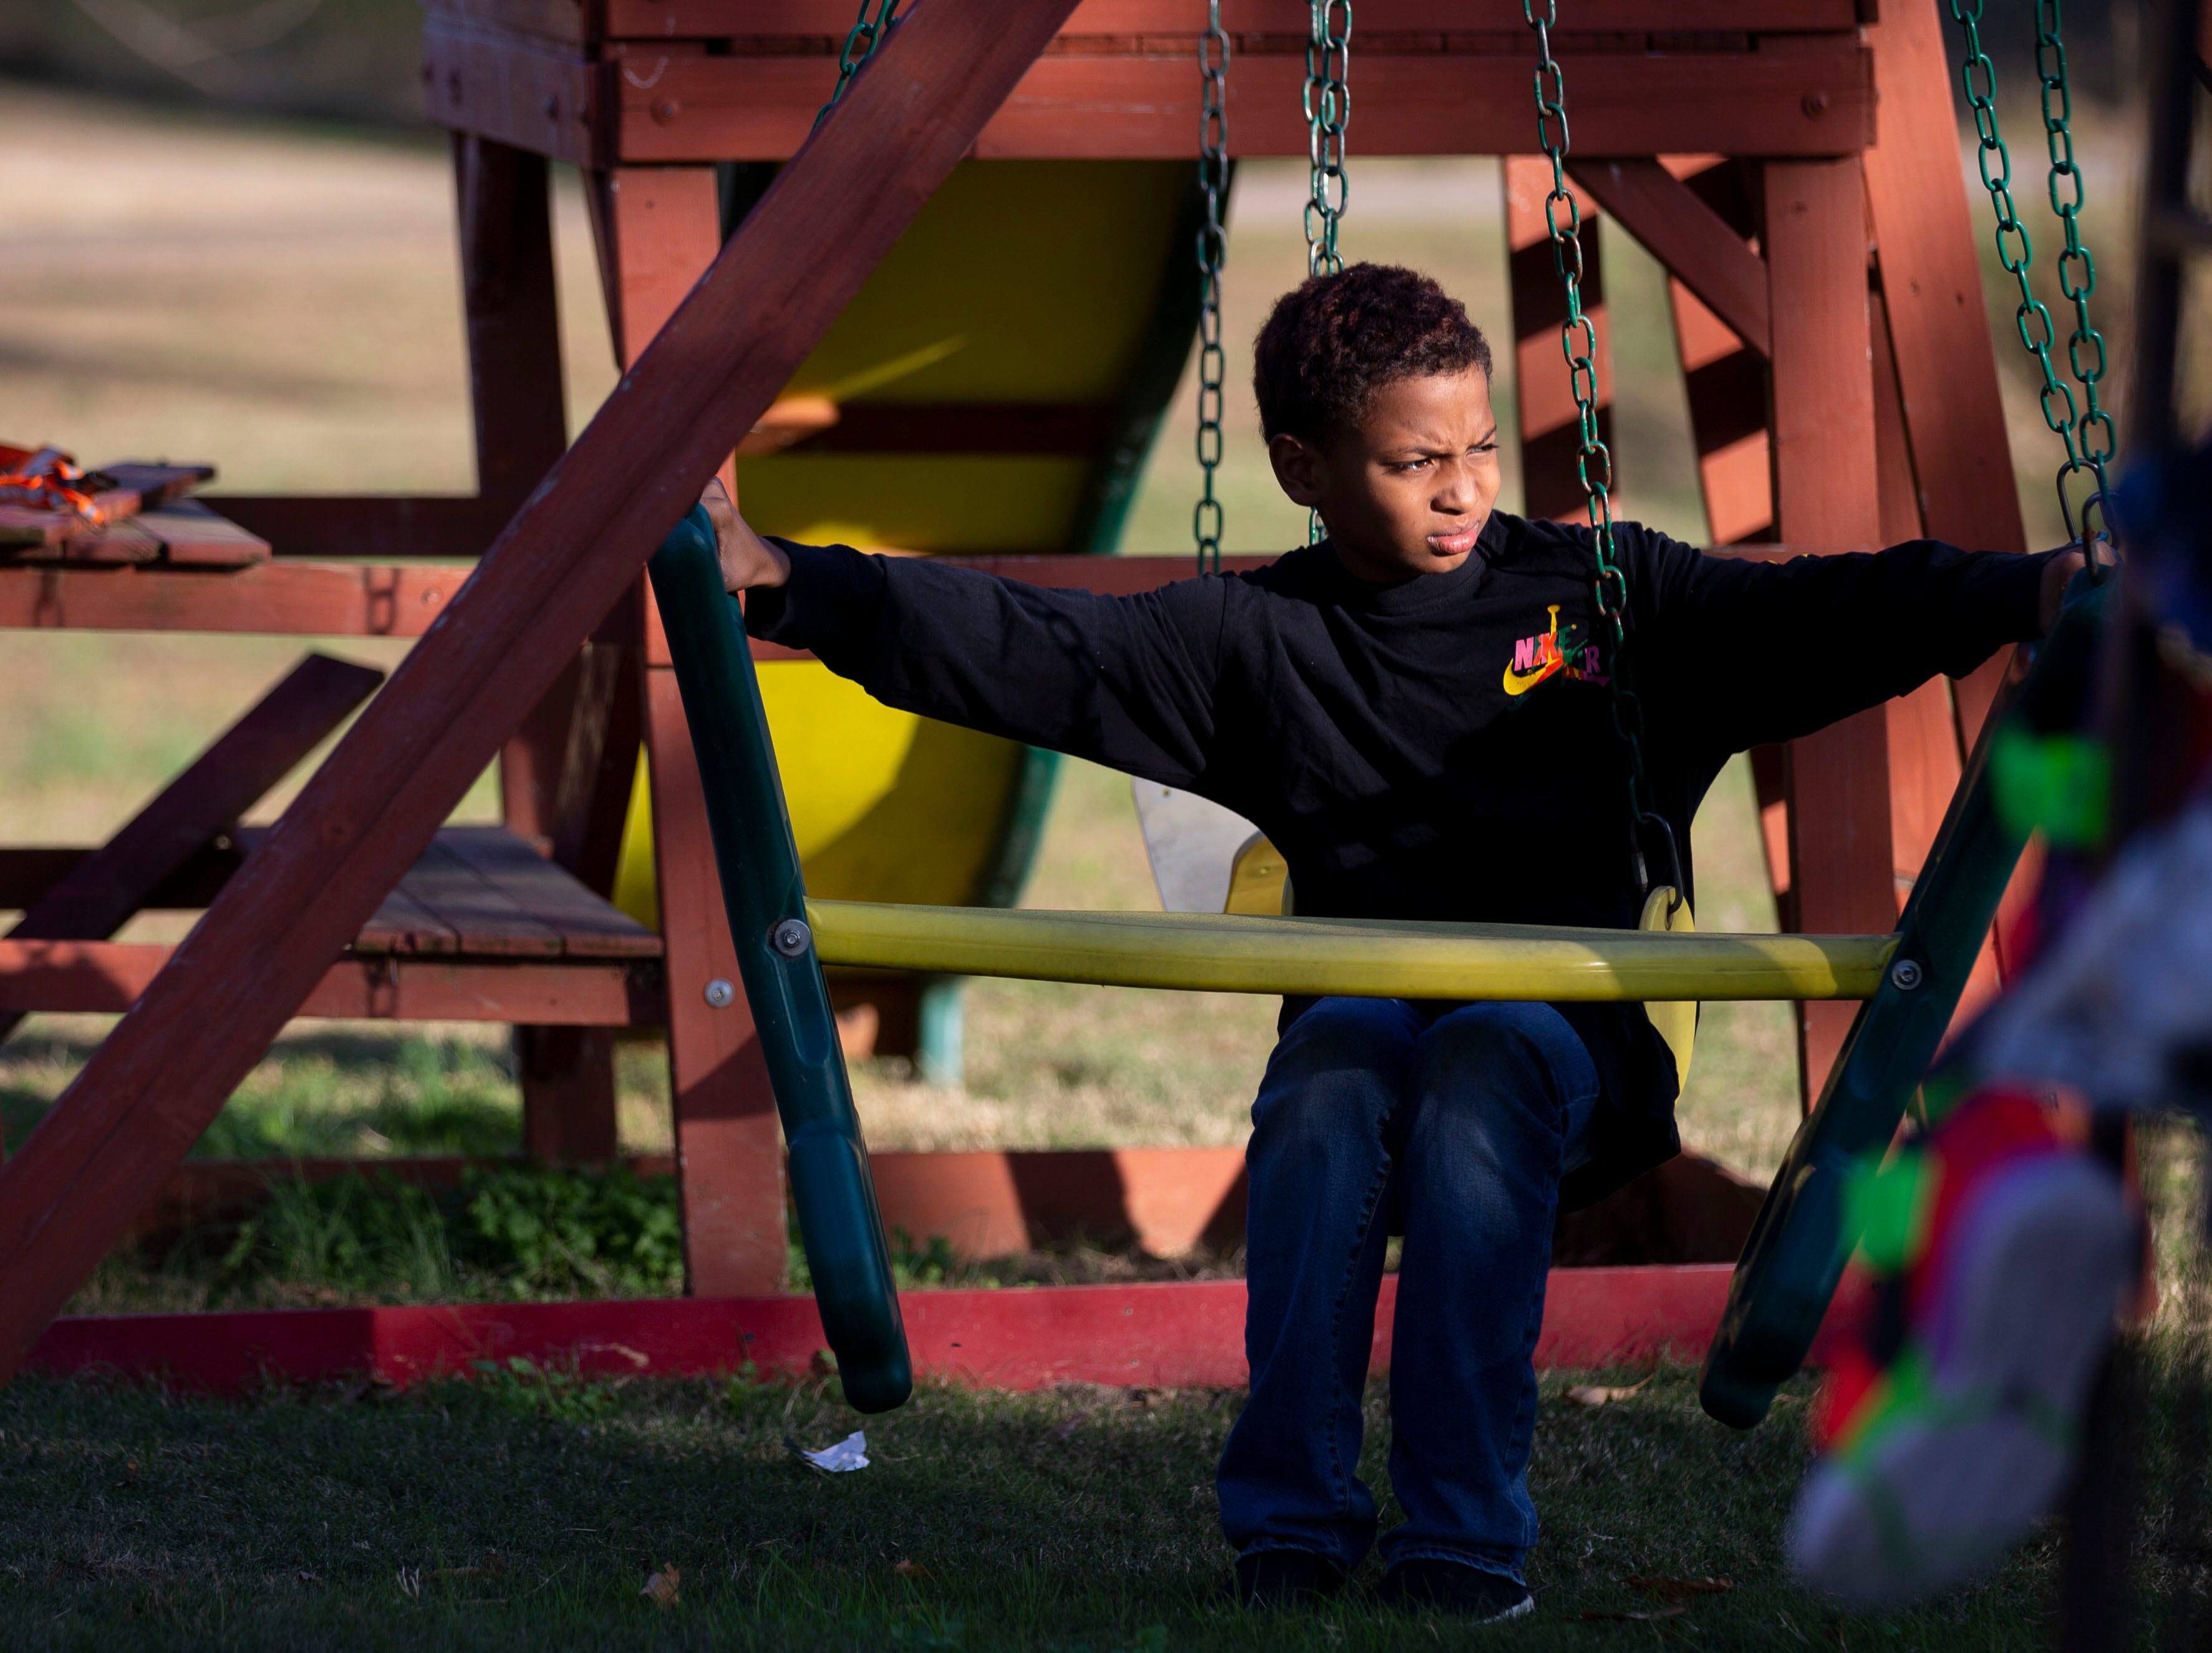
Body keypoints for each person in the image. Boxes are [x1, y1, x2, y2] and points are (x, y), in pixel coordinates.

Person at [700, 264, 2075, 1622]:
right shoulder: (1252, 639)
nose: (1465, 487)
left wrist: (2025, 592)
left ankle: (1463, 1541)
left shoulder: (1602, 600)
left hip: (1575, 1042)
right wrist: (781, 583)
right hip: (1368, 1027)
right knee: (1336, 1060)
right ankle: (1289, 1526)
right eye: (1417, 461)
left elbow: (1824, 613)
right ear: (1303, 468)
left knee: (1480, 1055)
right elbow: (1025, 642)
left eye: (1477, 448)